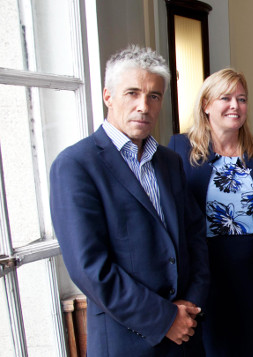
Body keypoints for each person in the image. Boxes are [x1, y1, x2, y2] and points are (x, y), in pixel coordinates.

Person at [49, 45, 210, 356]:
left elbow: (195, 237)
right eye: (132, 93)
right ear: (108, 96)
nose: (143, 106)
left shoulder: (170, 161)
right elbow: (90, 268)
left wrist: (190, 307)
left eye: (154, 96)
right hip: (127, 339)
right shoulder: (75, 165)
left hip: (187, 331)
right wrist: (164, 319)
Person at [168, 68, 253, 356]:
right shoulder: (179, 149)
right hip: (204, 278)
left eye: (242, 98)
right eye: (225, 97)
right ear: (206, 105)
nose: (235, 105)